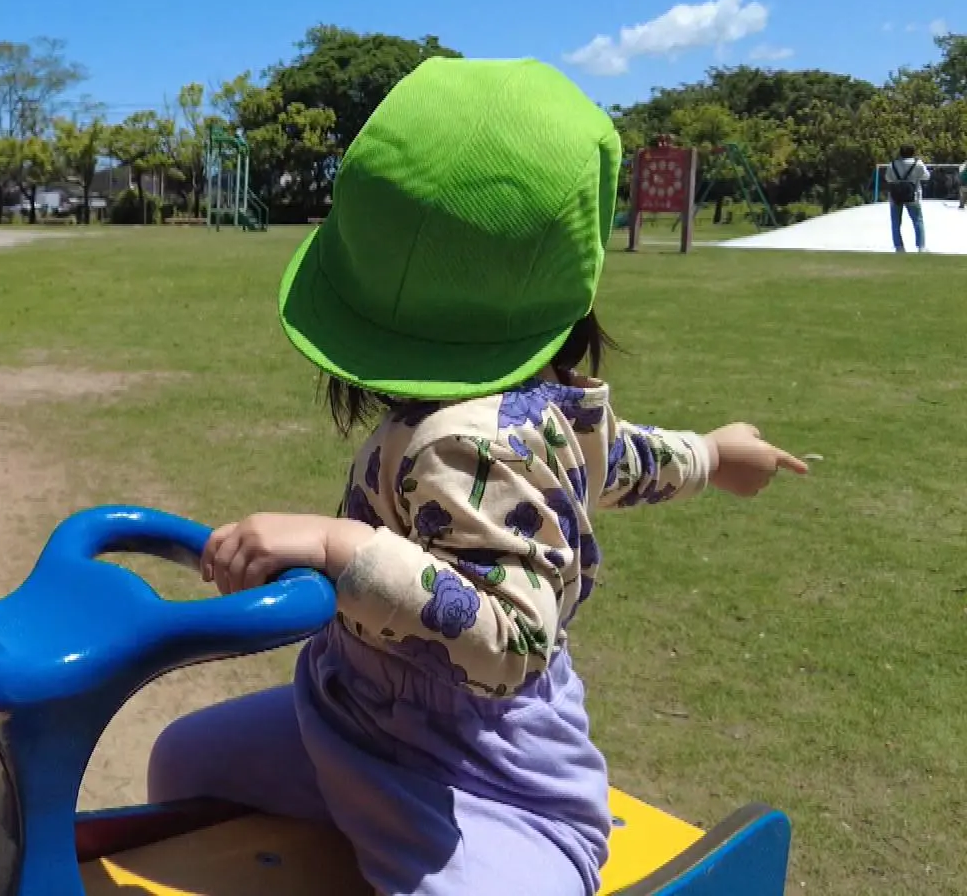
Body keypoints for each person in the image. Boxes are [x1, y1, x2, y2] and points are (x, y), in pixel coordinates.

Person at [145, 58, 808, 896]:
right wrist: (712, 455)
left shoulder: (467, 442)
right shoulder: (539, 408)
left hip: (485, 774)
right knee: (188, 762)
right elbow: (625, 459)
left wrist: (341, 545)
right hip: (350, 714)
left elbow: (515, 642)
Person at [884, 144, 929, 252]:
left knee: (895, 222)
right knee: (917, 221)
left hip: (896, 196)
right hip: (913, 195)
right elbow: (926, 176)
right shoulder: (918, 164)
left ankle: (899, 247)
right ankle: (921, 246)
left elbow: (888, 178)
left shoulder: (893, 164)